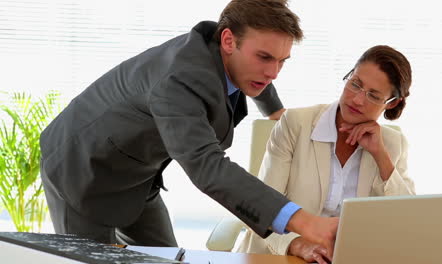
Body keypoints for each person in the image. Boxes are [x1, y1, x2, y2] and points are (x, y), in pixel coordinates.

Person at [39, 0, 338, 257]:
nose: (273, 72)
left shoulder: (225, 51)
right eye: (264, 58)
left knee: (167, 258)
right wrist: (304, 221)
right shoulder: (179, 80)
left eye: (282, 61)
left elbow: (260, 72)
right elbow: (207, 167)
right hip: (82, 171)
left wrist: (274, 110)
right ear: (228, 40)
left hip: (138, 177)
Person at [237, 45, 416, 263]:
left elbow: (406, 222)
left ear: (392, 103)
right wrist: (297, 244)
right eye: (356, 84)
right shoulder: (296, 124)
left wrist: (381, 156)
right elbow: (262, 208)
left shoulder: (392, 144)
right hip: (286, 256)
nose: (358, 100)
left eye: (373, 96)